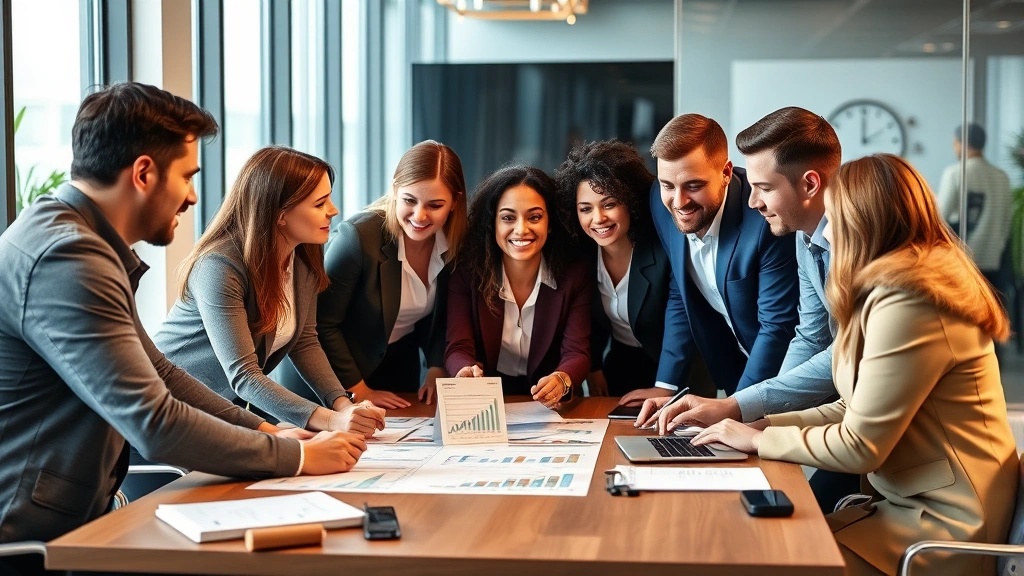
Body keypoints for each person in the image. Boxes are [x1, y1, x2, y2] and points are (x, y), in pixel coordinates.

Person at [0, 83, 365, 572]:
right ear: (144, 173)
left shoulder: (83, 244)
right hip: (32, 536)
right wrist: (292, 458)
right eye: (187, 177)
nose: (194, 196)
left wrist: (264, 428)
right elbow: (153, 421)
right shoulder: (68, 258)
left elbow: (162, 372)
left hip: (75, 514)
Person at [689, 153, 1019, 576]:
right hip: (907, 506)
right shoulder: (889, 288)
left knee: (766, 557)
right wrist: (764, 426)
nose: (828, 232)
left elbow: (862, 444)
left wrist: (757, 441)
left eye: (836, 216)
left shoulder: (912, 300)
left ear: (865, 220)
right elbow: (854, 405)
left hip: (943, 525)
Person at [638, 107, 857, 511]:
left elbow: (838, 353)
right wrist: (747, 414)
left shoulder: (859, 247)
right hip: (837, 408)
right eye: (667, 184)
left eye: (763, 187)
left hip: (881, 443)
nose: (753, 199)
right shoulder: (805, 237)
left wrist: (743, 414)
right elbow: (810, 335)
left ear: (809, 184)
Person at [154, 146, 385, 435]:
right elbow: (244, 375)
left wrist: (342, 405)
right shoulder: (218, 267)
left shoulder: (302, 258)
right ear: (280, 215)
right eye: (319, 203)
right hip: (166, 415)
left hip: (226, 414)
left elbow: (305, 342)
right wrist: (327, 420)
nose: (333, 210)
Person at [621, 113, 799, 405]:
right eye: (668, 185)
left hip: (787, 383)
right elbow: (682, 290)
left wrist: (734, 409)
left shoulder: (765, 220)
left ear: (726, 173)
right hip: (734, 375)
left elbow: (777, 327)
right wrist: (666, 384)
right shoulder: (659, 200)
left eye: (693, 186)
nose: (679, 202)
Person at [317, 140, 467, 408]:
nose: (419, 215)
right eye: (410, 200)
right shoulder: (358, 237)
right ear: (395, 189)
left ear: (454, 202)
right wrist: (357, 390)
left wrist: (435, 367)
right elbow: (322, 323)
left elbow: (444, 314)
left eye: (435, 205)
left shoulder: (456, 242)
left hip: (399, 369)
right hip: (338, 377)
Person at [445, 165, 590, 408]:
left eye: (534, 217)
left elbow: (577, 352)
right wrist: (465, 370)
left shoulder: (574, 274)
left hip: (549, 405)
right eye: (508, 218)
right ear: (493, 223)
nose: (521, 229)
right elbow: (458, 347)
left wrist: (562, 379)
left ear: (550, 223)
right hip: (484, 402)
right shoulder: (466, 273)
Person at [554, 139, 669, 396]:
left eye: (609, 204)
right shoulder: (582, 256)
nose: (598, 219)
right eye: (586, 209)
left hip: (675, 370)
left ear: (630, 200)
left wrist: (666, 385)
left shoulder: (663, 252)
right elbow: (586, 319)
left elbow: (680, 327)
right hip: (620, 364)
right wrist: (593, 368)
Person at [936, 123, 1013, 300]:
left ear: (960, 143)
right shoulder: (1002, 176)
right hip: (995, 261)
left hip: (964, 260)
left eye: (954, 143)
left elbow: (939, 217)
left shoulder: (955, 173)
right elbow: (1006, 221)